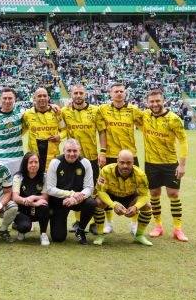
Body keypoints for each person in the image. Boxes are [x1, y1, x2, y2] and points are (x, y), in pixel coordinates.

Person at [141, 89, 189, 242]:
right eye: (152, 101)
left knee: (173, 194)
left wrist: (181, 165)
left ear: (164, 101)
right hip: (151, 163)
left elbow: (183, 141)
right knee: (154, 195)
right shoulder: (145, 116)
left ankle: (178, 228)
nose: (155, 104)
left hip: (170, 163)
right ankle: (158, 226)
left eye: (157, 101)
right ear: (147, 103)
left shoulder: (174, 119)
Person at [96, 82, 143, 233]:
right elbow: (101, 131)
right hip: (110, 155)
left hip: (130, 156)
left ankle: (134, 224)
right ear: (110, 94)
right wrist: (102, 152)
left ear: (125, 93)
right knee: (106, 190)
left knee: (135, 191)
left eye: (121, 91)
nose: (119, 93)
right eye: (116, 91)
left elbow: (146, 123)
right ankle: (108, 223)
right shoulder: (103, 109)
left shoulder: (133, 110)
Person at [61, 84, 108, 234]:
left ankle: (95, 222)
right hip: (73, 159)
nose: (78, 95)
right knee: (76, 189)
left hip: (92, 157)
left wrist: (102, 152)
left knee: (93, 190)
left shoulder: (95, 110)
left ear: (85, 94)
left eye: (81, 93)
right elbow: (61, 129)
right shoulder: (65, 111)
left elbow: (102, 132)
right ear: (71, 94)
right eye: (76, 93)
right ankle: (78, 222)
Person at [93, 150, 153, 246]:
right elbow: (101, 191)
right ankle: (100, 235)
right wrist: (113, 205)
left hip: (130, 196)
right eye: (122, 162)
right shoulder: (106, 170)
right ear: (117, 161)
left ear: (133, 162)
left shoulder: (141, 175)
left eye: (128, 163)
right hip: (111, 194)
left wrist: (135, 207)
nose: (125, 166)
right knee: (98, 202)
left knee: (147, 206)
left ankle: (139, 235)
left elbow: (145, 195)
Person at [45, 139, 97, 245]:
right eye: (68, 151)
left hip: (77, 200)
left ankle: (80, 230)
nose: (72, 154)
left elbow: (89, 188)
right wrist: (71, 194)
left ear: (79, 151)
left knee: (91, 203)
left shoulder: (85, 163)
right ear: (63, 150)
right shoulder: (55, 162)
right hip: (60, 201)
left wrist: (75, 198)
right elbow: (50, 189)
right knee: (58, 238)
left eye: (75, 151)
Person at [22, 87, 66, 172]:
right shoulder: (27, 114)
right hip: (34, 158)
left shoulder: (57, 112)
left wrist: (59, 136)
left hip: (53, 156)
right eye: (39, 96)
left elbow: (64, 130)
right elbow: (21, 131)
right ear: (34, 98)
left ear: (48, 98)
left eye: (44, 96)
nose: (42, 98)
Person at [11, 152, 50, 246]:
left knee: (45, 206)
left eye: (36, 162)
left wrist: (34, 197)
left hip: (38, 209)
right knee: (24, 227)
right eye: (30, 162)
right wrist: (32, 203)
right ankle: (22, 230)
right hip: (23, 209)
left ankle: (43, 234)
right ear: (25, 164)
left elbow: (45, 197)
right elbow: (15, 197)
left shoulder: (44, 176)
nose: (33, 165)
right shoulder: (18, 176)